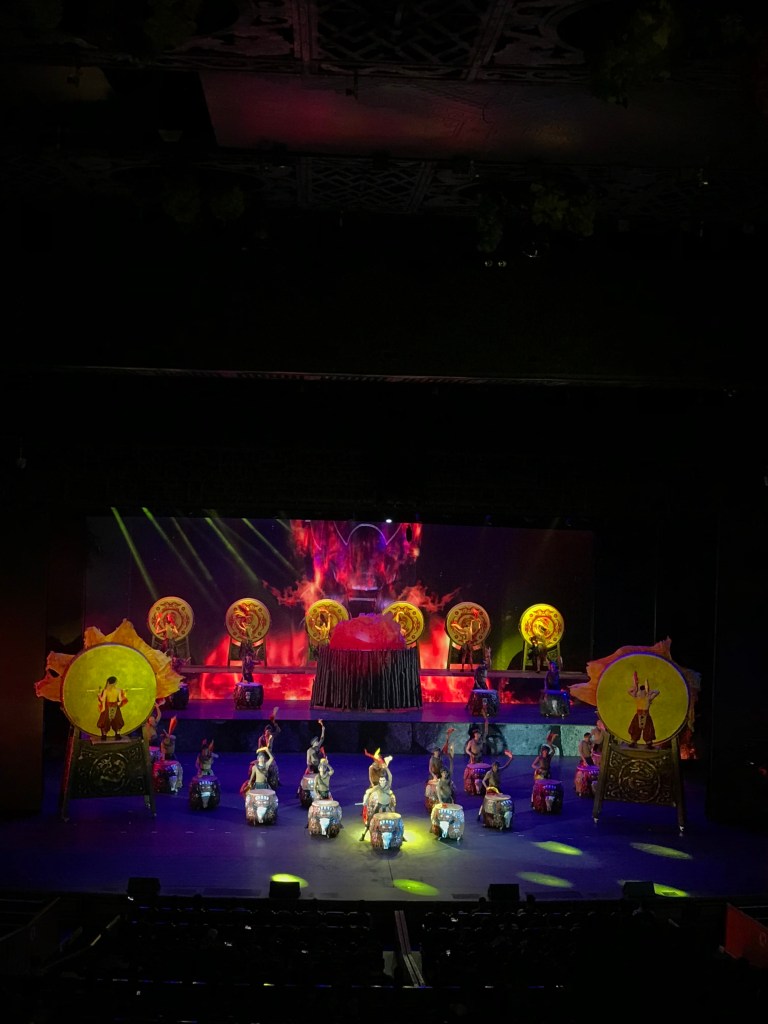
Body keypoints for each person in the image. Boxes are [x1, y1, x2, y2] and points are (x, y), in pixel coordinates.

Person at [360, 763, 396, 841]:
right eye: (381, 781)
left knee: (394, 819)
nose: (382, 782)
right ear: (379, 781)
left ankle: (400, 835)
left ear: (385, 781)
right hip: (379, 806)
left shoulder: (388, 786)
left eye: (383, 780)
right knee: (370, 819)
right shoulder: (377, 787)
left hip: (387, 807)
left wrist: (387, 768)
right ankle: (363, 834)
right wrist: (365, 801)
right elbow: (368, 793)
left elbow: (390, 776)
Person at [627, 671, 660, 748]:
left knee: (648, 729)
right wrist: (634, 687)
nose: (641, 692)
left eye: (643, 690)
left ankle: (649, 743)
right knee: (635, 729)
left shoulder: (648, 697)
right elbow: (629, 691)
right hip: (638, 715)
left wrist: (651, 691)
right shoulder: (637, 696)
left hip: (646, 715)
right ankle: (633, 741)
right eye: (640, 690)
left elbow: (657, 691)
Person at [96, 675, 128, 739]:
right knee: (117, 720)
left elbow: (102, 699)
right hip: (115, 706)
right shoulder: (118, 690)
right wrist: (124, 695)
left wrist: (99, 695)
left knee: (106, 721)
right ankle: (117, 734)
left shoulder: (106, 690)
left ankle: (104, 735)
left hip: (108, 707)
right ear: (115, 682)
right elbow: (120, 700)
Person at [258, 707, 281, 789]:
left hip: (270, 756)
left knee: (275, 768)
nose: (268, 732)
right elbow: (259, 749)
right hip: (263, 756)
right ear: (265, 731)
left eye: (270, 731)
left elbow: (278, 731)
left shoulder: (271, 737)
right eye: (267, 731)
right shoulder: (261, 739)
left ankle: (277, 781)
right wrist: (264, 751)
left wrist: (274, 722)